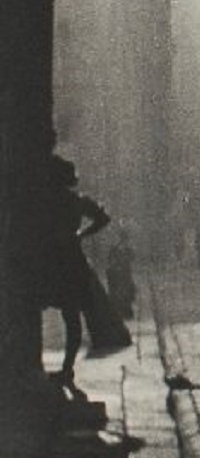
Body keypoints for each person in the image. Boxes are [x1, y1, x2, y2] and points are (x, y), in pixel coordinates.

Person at [41, 156, 113, 385]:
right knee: (72, 317)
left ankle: (61, 368)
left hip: (52, 260)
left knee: (43, 312)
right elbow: (103, 217)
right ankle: (67, 367)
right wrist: (81, 234)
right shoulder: (77, 202)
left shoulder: (46, 202)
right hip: (71, 260)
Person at [105, 226, 137, 321]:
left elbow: (131, 258)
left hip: (123, 272)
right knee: (122, 290)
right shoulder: (120, 248)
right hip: (121, 273)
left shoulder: (122, 248)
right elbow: (130, 258)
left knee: (123, 290)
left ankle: (123, 309)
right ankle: (123, 310)